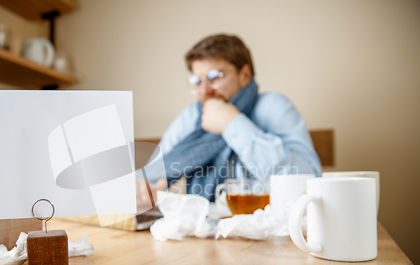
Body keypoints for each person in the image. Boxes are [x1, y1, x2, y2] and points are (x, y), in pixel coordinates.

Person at [137, 34, 321, 206]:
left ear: (245, 75)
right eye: (198, 82)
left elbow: (308, 179)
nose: (204, 90)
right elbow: (150, 177)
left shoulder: (273, 107)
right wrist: (141, 193)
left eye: (215, 77)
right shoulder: (191, 117)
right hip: (202, 231)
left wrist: (232, 123)